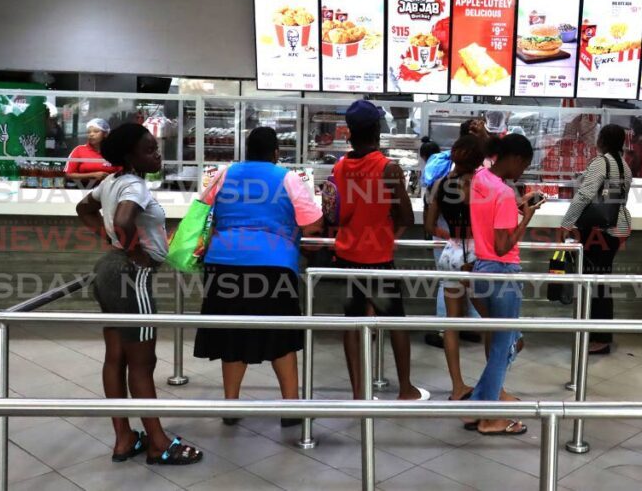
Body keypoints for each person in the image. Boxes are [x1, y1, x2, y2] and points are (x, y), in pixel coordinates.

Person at [76, 123, 202, 466]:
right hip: (132, 276)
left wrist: (112, 242)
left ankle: (124, 438)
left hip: (108, 270)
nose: (157, 154)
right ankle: (159, 442)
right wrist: (133, 251)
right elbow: (125, 219)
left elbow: (83, 209)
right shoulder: (134, 186)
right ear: (130, 156)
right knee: (143, 363)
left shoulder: (110, 182)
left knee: (116, 357)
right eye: (149, 149)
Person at [193, 127, 325, 427]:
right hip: (273, 265)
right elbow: (313, 224)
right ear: (276, 152)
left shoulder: (224, 174)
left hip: (224, 263)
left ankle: (231, 405)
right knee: (281, 337)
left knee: (231, 335)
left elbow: (202, 210)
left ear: (246, 150)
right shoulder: (287, 178)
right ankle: (291, 409)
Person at [333, 100, 429, 400]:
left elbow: (334, 213)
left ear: (350, 132)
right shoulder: (388, 168)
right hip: (378, 260)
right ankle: (406, 388)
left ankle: (358, 393)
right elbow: (406, 216)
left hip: (347, 257)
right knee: (395, 322)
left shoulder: (339, 166)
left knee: (353, 324)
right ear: (378, 128)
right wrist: (390, 230)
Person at [466, 133, 542, 435]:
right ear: (516, 158)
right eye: (524, 165)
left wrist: (515, 208)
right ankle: (491, 419)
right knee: (502, 346)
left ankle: (475, 406)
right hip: (503, 271)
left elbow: (490, 221)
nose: (522, 172)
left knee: (503, 342)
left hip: (481, 270)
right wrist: (526, 218)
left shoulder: (481, 178)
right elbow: (502, 245)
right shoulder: (504, 193)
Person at [561, 124, 632, 355]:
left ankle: (598, 338)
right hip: (613, 230)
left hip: (596, 230)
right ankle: (598, 334)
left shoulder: (601, 162)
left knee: (595, 284)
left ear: (601, 140)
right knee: (601, 282)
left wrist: (566, 223)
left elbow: (584, 194)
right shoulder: (625, 166)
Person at [424, 134, 486, 399]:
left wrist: (450, 236)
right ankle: (493, 385)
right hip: (473, 255)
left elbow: (429, 227)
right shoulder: (480, 184)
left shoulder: (440, 183)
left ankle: (457, 386)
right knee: (490, 321)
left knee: (451, 324)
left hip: (450, 253)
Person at [541, 113, 600, 198]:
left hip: (560, 201)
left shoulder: (556, 148)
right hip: (583, 203)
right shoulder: (592, 152)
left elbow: (547, 181)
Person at [66, 118, 120, 185]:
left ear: (105, 134)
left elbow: (123, 174)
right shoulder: (79, 150)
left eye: (96, 131)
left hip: (110, 190)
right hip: (83, 190)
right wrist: (92, 175)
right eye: (89, 132)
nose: (91, 134)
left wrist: (110, 177)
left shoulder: (114, 151)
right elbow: (67, 175)